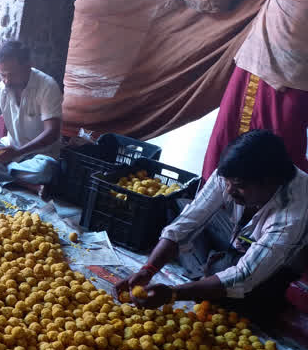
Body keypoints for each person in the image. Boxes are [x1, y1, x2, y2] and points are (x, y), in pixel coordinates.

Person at [116, 130, 308, 320]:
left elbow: (244, 276)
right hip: (238, 235)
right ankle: (211, 276)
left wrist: (173, 294)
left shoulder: (291, 214)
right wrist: (148, 269)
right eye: (227, 182)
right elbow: (187, 222)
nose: (229, 190)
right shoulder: (235, 172)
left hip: (278, 262)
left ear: (268, 183)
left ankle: (212, 275)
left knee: (236, 288)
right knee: (176, 207)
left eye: (239, 186)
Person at [201, 0, 308, 181]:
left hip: (293, 55)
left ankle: (274, 207)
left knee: (283, 137)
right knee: (233, 127)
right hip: (269, 44)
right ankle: (219, 201)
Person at [0, 41, 63, 198]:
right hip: (10, 151)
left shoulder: (47, 86)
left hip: (39, 156)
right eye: (2, 75)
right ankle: (27, 184)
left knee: (45, 170)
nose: (6, 80)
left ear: (27, 66)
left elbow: (52, 132)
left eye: (11, 75)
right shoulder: (0, 90)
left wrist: (18, 153)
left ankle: (7, 173)